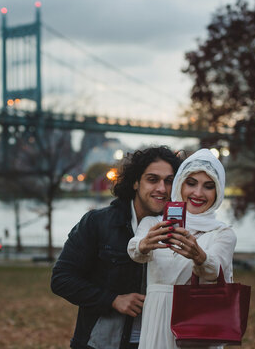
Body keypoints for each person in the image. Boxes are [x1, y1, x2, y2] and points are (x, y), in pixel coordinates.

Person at [51, 146, 181, 349]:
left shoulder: (181, 230)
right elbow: (61, 279)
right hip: (101, 344)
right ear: (136, 182)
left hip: (159, 342)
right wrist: (112, 300)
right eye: (152, 179)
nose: (162, 189)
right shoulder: (98, 222)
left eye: (169, 181)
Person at [127, 148, 237, 349]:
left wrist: (200, 256)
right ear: (180, 184)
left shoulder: (222, 232)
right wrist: (144, 244)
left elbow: (216, 271)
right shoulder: (155, 223)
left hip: (197, 324)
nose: (198, 193)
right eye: (191, 183)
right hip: (157, 320)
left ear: (218, 191)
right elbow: (135, 250)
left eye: (209, 186)